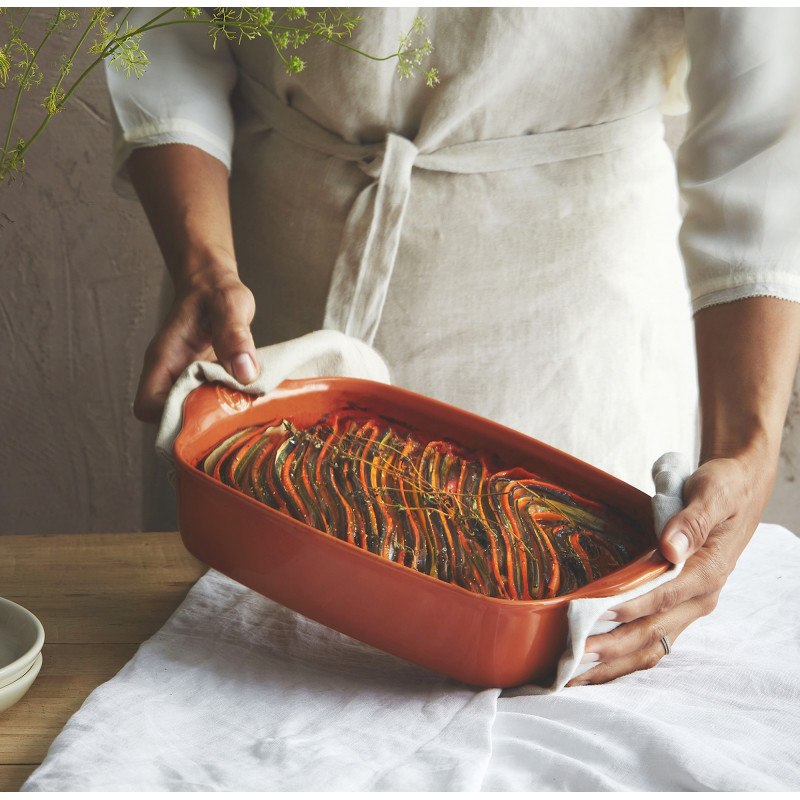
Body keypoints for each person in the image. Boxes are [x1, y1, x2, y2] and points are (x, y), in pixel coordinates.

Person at [106, 7, 800, 686]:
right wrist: (204, 266)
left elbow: (765, 126)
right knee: (220, 690)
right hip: (261, 316)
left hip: (579, 344)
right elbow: (165, 29)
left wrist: (747, 446)